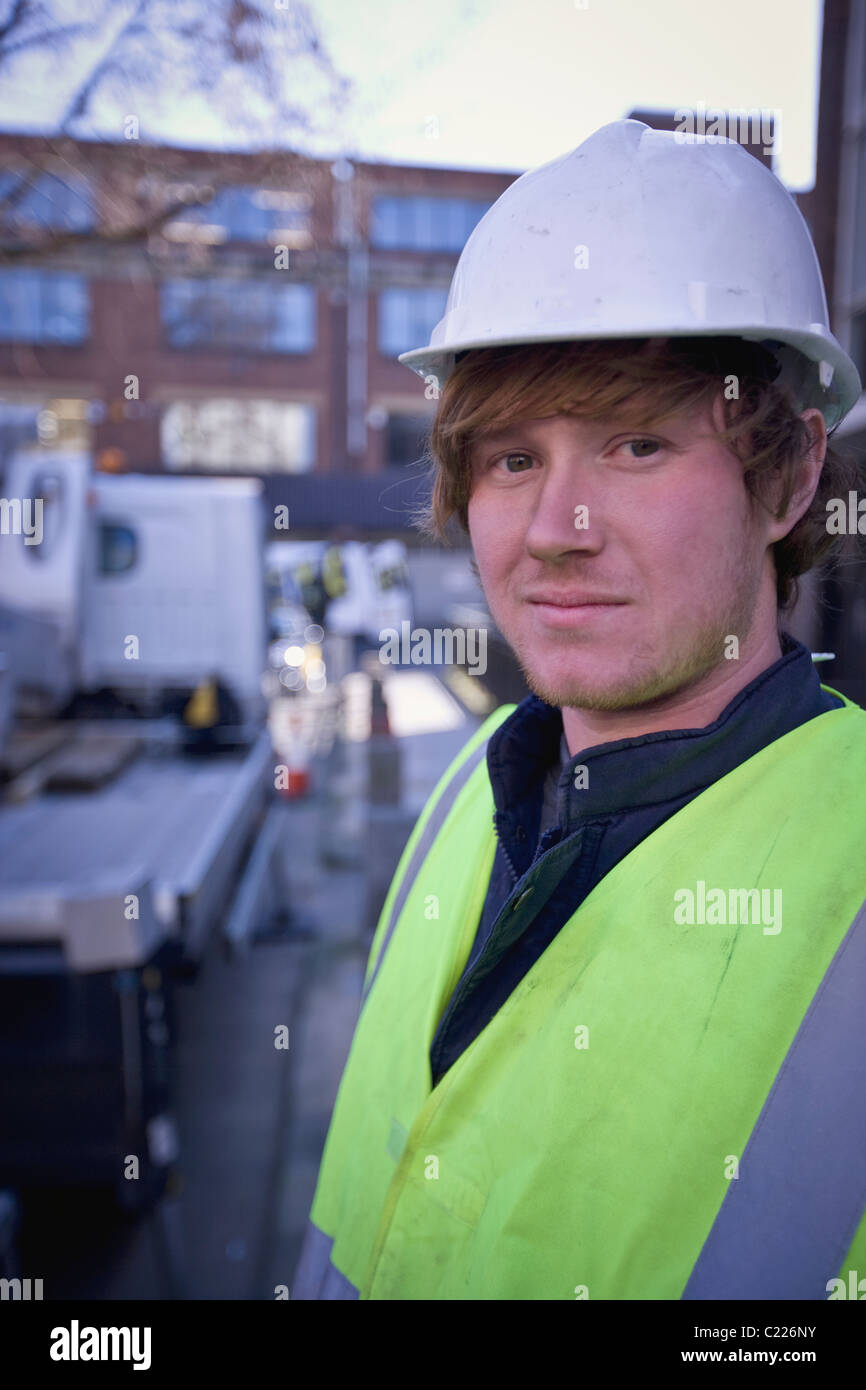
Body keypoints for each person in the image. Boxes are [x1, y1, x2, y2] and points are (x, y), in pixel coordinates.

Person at [293, 119, 866, 1300]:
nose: (556, 528)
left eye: (636, 444)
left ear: (790, 476)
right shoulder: (469, 788)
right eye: (510, 459)